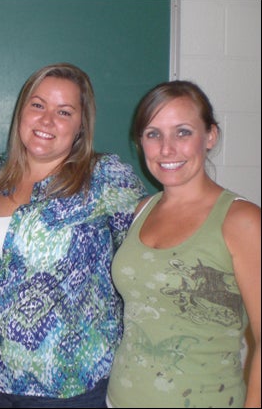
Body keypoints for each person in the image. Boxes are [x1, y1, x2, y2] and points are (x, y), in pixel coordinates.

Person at [0, 62, 147, 408]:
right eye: (38, 105)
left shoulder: (105, 179)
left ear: (80, 126)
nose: (47, 120)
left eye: (64, 112)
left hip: (70, 384)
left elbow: (150, 249)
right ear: (21, 110)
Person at [106, 80, 261, 408]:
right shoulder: (142, 210)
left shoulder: (241, 220)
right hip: (119, 400)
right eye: (153, 134)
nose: (166, 149)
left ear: (210, 136)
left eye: (183, 132)